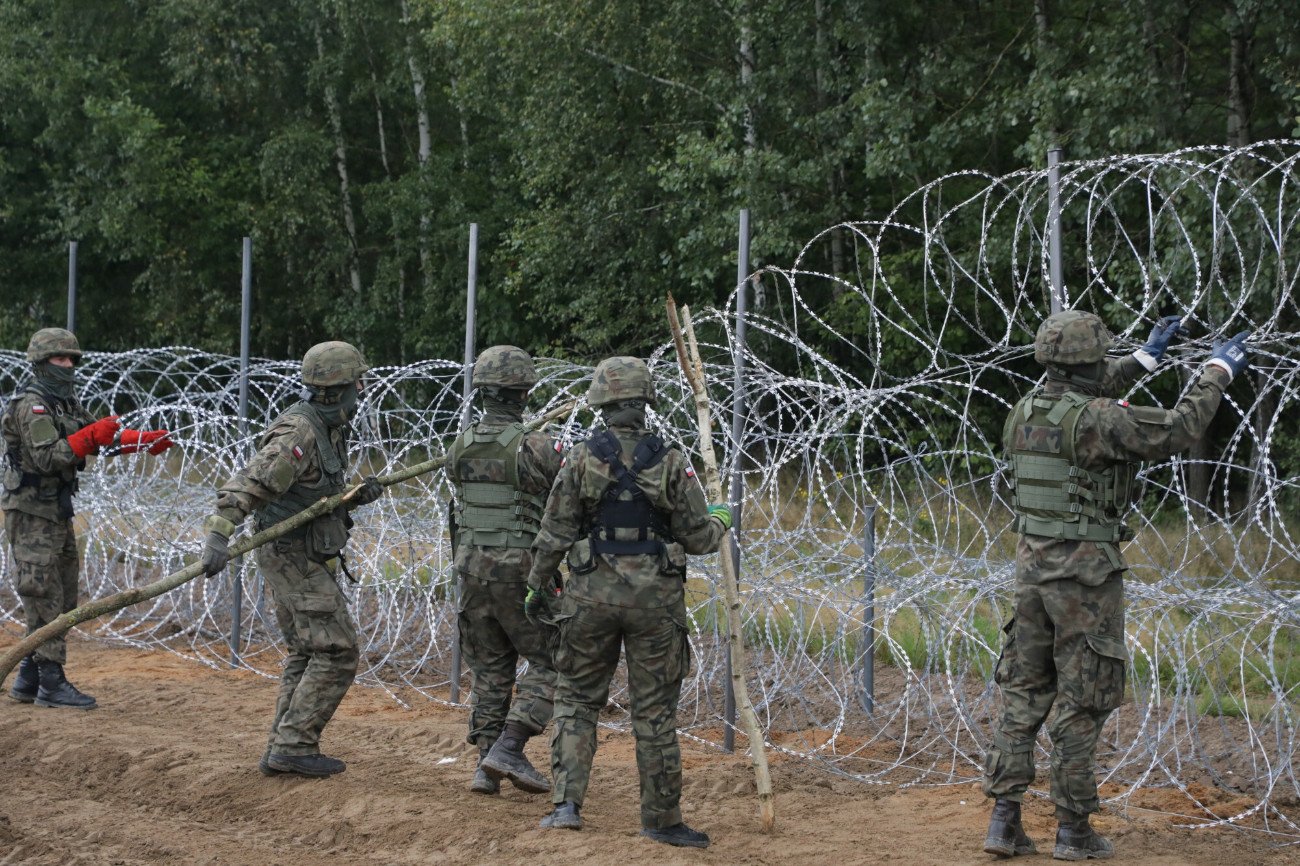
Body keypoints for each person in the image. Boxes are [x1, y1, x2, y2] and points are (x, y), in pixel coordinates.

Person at [982, 311, 1249, 861]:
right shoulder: (1101, 420)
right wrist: (1217, 370)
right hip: (1085, 577)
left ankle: (1003, 822)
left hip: (1030, 571)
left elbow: (1082, 397)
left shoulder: (1025, 411)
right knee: (1084, 700)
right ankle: (1073, 832)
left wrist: (1146, 358)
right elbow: (1179, 428)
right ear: (1091, 362)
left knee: (1024, 695)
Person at [527, 356, 733, 849]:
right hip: (654, 603)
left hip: (588, 597)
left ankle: (566, 806)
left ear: (601, 401)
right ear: (645, 403)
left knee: (576, 699)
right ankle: (661, 821)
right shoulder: (671, 459)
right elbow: (698, 538)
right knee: (655, 712)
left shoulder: (579, 457)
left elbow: (554, 531)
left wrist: (537, 584)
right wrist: (721, 518)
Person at [200, 341, 383, 777]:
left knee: (306, 650)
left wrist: (350, 499)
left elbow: (309, 496)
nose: (362, 390)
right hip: (289, 555)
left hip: (304, 551)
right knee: (337, 650)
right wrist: (218, 537)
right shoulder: (299, 433)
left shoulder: (329, 426)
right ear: (339, 389)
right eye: (358, 383)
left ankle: (281, 747)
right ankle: (294, 746)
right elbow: (249, 485)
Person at [4, 327, 173, 709]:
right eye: (60, 359)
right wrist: (92, 435)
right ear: (42, 363)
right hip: (31, 513)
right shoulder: (32, 406)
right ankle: (51, 682)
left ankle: (29, 676)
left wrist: (141, 441)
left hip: (55, 511)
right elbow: (49, 456)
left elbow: (97, 437)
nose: (67, 365)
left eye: (71, 359)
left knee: (62, 594)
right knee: (43, 593)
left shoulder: (64, 402)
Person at [445, 345, 563, 795]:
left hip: (472, 571)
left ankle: (484, 765)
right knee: (559, 658)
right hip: (522, 573)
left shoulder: (459, 446)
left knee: (491, 668)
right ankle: (510, 746)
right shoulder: (538, 446)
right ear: (524, 392)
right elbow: (567, 500)